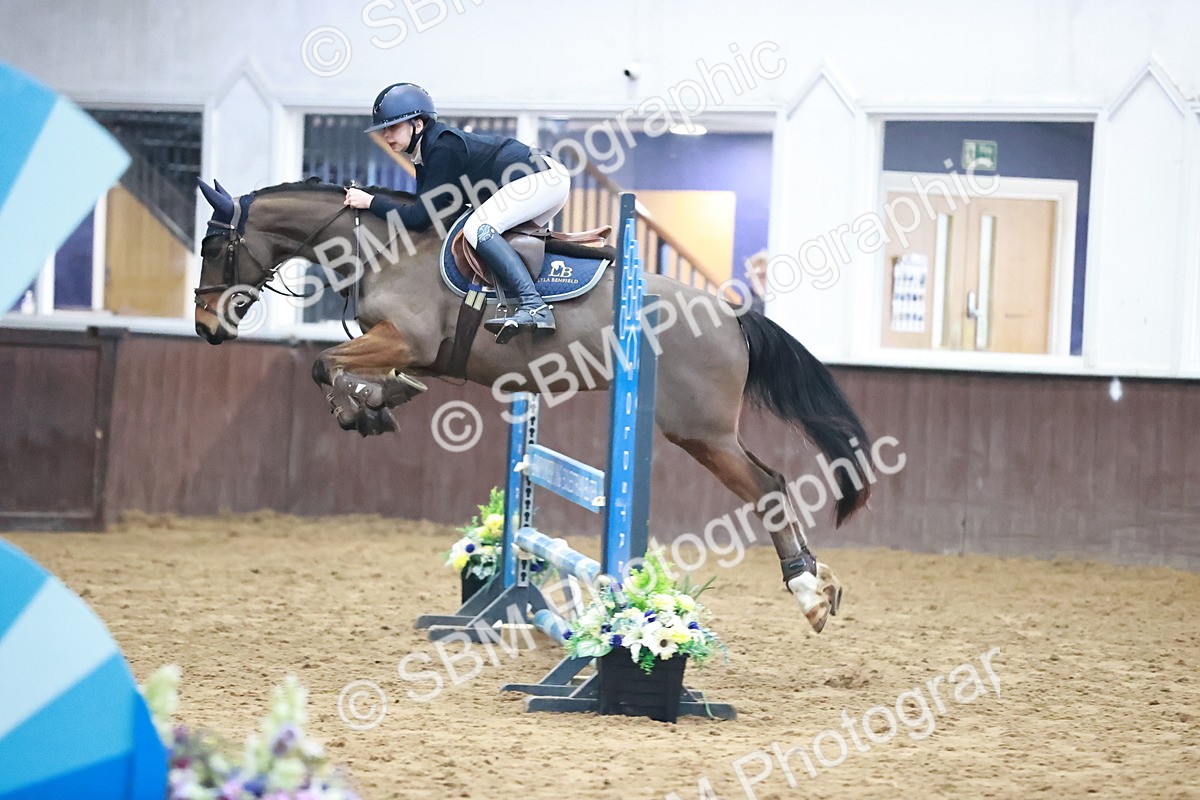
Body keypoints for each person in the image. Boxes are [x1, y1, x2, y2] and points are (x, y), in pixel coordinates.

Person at [343, 83, 569, 343]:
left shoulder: (442, 148)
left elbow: (418, 218)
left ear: (418, 124)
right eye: (383, 129)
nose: (386, 135)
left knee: (478, 230)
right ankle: (520, 303)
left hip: (541, 178)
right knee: (489, 238)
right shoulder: (426, 153)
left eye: (392, 127)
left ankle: (535, 307)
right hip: (540, 179)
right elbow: (429, 212)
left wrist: (371, 202)